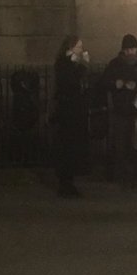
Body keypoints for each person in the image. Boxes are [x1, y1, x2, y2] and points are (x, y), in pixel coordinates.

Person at [101, 34, 137, 187]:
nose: (130, 52)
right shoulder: (115, 64)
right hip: (121, 110)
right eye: (127, 50)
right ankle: (125, 175)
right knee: (122, 144)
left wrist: (135, 85)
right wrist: (115, 84)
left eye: (132, 49)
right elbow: (104, 82)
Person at [51, 35, 89, 198]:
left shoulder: (68, 63)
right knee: (67, 146)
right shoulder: (64, 64)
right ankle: (65, 183)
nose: (81, 50)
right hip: (68, 112)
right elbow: (70, 82)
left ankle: (68, 181)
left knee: (72, 147)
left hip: (74, 111)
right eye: (79, 47)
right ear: (71, 48)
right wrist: (83, 65)